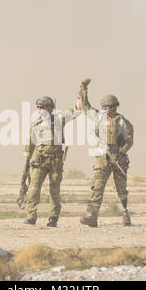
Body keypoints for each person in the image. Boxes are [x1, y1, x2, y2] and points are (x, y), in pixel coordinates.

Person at [21, 82, 88, 227]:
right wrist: (26, 164)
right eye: (38, 107)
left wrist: (82, 91)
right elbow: (29, 146)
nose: (40, 110)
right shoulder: (35, 125)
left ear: (50, 108)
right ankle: (31, 216)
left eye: (42, 107)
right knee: (33, 189)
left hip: (55, 162)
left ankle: (53, 218)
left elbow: (77, 109)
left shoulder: (59, 119)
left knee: (54, 191)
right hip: (39, 161)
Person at [76, 79, 134, 227]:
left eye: (108, 107)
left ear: (114, 107)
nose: (105, 110)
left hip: (118, 159)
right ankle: (92, 217)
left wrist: (121, 151)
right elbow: (85, 106)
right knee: (97, 186)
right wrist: (83, 88)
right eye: (103, 107)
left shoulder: (123, 122)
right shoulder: (98, 117)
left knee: (121, 189)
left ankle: (125, 212)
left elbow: (129, 141)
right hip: (102, 158)